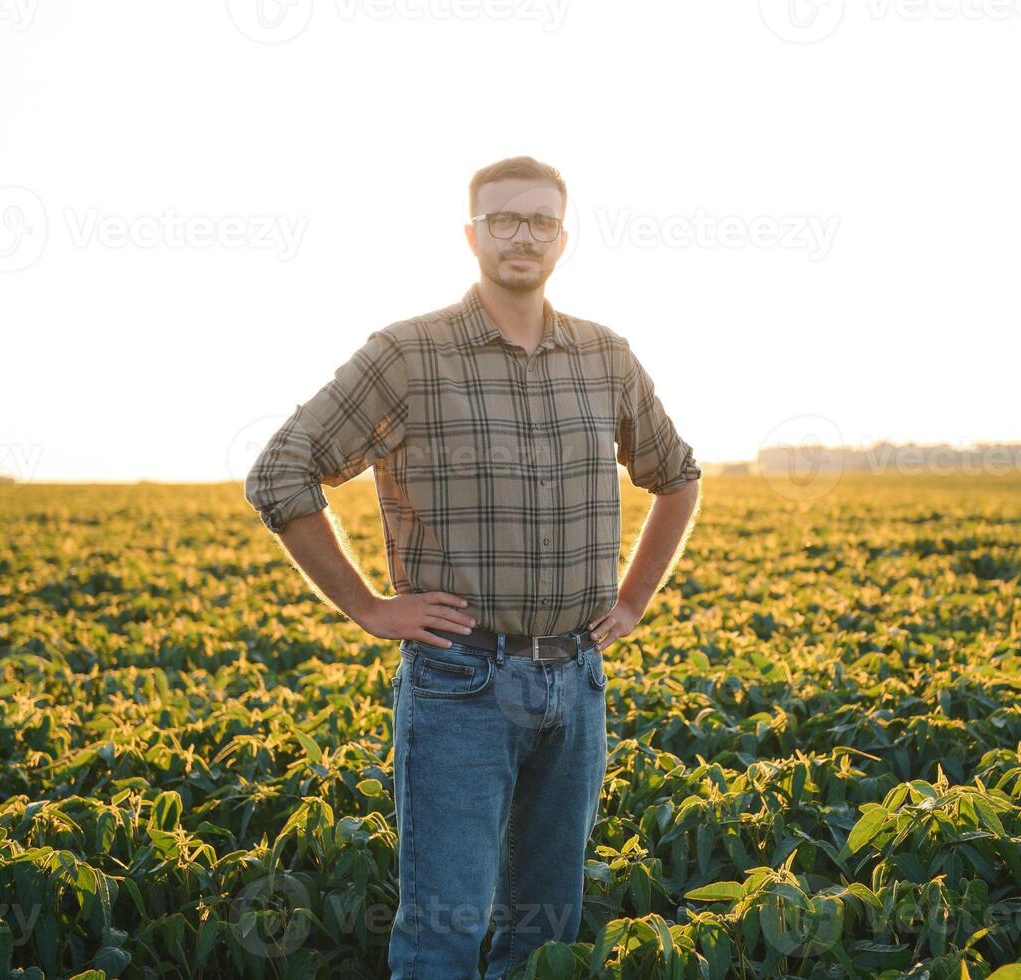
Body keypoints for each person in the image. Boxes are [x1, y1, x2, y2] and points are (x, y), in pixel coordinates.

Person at [243, 154, 702, 978]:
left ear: (562, 238)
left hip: (576, 680)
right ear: (470, 234)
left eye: (539, 221)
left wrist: (632, 602)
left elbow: (677, 476)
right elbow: (281, 471)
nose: (521, 235)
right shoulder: (408, 354)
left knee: (545, 936)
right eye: (502, 219)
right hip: (462, 684)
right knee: (441, 938)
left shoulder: (604, 356)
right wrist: (366, 607)